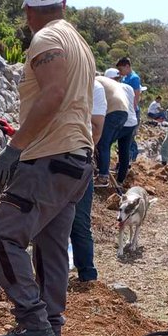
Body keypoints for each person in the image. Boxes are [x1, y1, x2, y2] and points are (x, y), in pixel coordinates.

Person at [0, 0, 96, 336]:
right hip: (78, 162)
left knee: (3, 236)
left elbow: (53, 94)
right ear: (62, 6)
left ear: (30, 12)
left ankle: (32, 322)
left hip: (50, 157)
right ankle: (51, 329)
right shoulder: (79, 43)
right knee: (50, 246)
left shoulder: (46, 39)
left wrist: (15, 148)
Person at [70, 78, 107, 283]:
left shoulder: (61, 76)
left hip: (55, 156)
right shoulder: (96, 86)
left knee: (50, 220)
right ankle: (87, 274)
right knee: (80, 219)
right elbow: (97, 126)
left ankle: (48, 276)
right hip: (79, 158)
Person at [94, 70, 130, 187]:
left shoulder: (96, 82)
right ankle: (100, 171)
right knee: (105, 144)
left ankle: (103, 176)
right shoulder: (107, 81)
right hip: (123, 112)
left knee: (102, 143)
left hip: (113, 111)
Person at [114, 74, 138, 184]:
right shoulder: (128, 87)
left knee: (104, 144)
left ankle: (103, 173)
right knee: (124, 150)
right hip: (132, 121)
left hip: (122, 121)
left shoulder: (112, 87)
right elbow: (133, 104)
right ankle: (120, 179)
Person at [117, 56, 141, 161]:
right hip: (125, 111)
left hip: (131, 112)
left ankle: (131, 160)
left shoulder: (134, 78)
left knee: (129, 139)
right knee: (126, 139)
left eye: (121, 69)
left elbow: (136, 97)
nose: (120, 72)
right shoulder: (125, 78)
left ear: (127, 66)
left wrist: (132, 112)